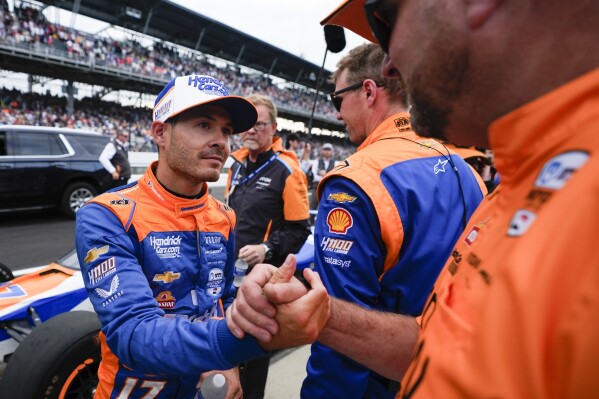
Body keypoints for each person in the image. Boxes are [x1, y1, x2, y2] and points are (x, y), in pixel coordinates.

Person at [229, 0, 599, 398]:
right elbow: (452, 344)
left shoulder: (359, 178)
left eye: (385, 20)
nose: (392, 66)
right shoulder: (483, 174)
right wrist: (324, 316)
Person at [301, 43, 486, 399]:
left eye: (337, 99)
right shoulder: (465, 169)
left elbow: (338, 324)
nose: (337, 113)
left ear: (368, 92)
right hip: (452, 373)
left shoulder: (356, 179)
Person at [75, 73, 268, 399]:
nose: (221, 141)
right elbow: (132, 332)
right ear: (160, 132)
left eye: (226, 130)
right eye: (204, 125)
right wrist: (251, 338)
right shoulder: (107, 214)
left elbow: (222, 298)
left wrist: (229, 361)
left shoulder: (224, 216)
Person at [225, 94, 311, 399]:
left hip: (262, 278)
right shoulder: (236, 164)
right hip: (229, 274)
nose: (250, 131)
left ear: (273, 127)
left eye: (258, 124)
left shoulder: (287, 170)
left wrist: (266, 249)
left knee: (252, 353)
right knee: (226, 346)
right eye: (245, 125)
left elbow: (300, 230)